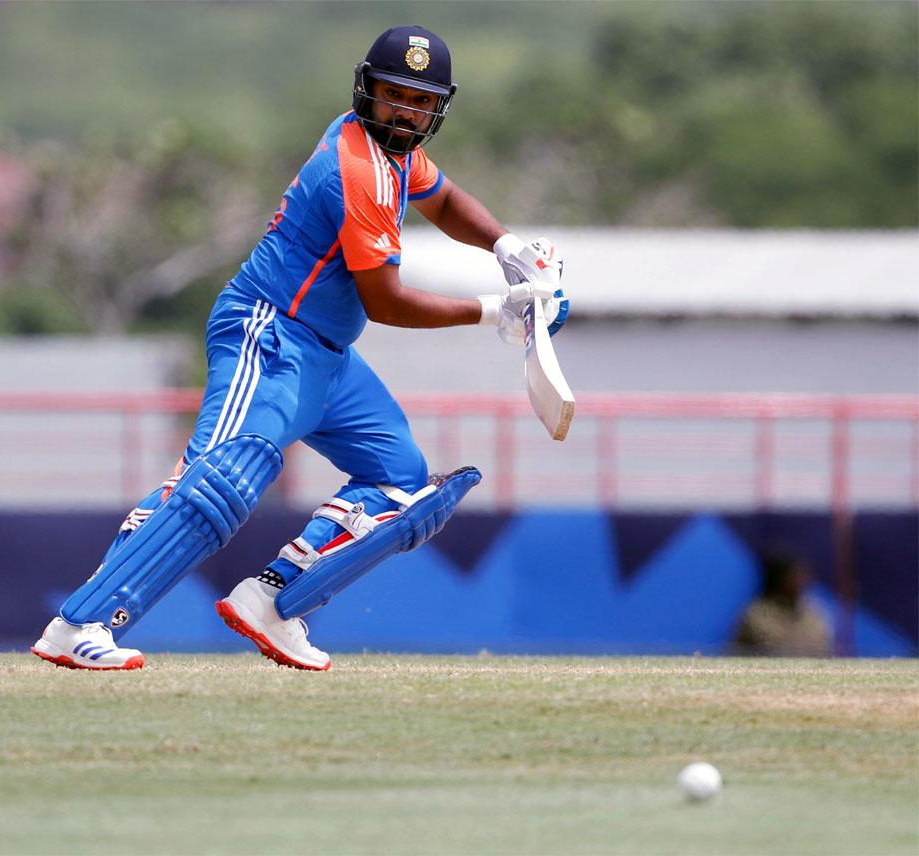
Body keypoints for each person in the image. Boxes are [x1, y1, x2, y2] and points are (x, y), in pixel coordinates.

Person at [31, 25, 570, 671]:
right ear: (365, 92)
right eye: (392, 95)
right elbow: (386, 302)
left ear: (437, 109)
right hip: (269, 332)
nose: (404, 111)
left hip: (327, 355)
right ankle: (79, 625)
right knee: (223, 481)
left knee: (397, 481)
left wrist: (507, 248)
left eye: (419, 101)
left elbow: (446, 199)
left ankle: (273, 602)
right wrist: (493, 312)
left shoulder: (399, 155)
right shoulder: (359, 169)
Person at [732, 552, 832, 657]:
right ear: (779, 579)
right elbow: (772, 647)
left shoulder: (814, 614)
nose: (801, 581)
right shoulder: (757, 615)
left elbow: (822, 648)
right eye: (794, 576)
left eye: (803, 575)